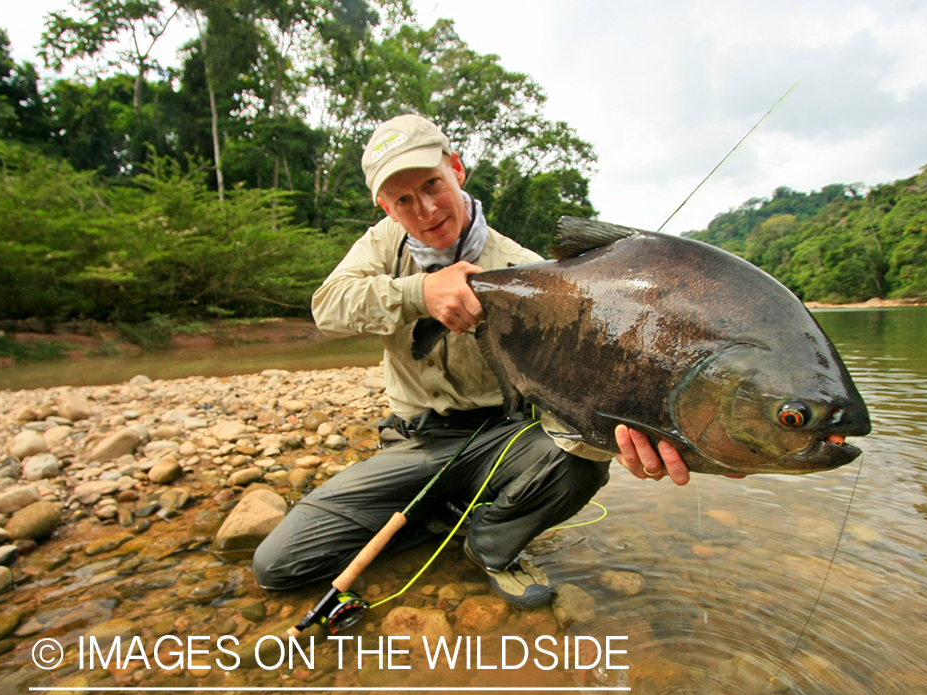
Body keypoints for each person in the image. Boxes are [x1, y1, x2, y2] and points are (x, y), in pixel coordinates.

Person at [253, 114, 688, 608]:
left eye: (432, 184)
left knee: (584, 457)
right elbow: (327, 307)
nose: (425, 209)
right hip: (412, 440)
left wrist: (656, 426)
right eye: (403, 200)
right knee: (278, 566)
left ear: (456, 169)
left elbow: (590, 371)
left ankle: (490, 544)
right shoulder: (381, 243)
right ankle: (442, 513)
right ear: (386, 207)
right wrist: (421, 291)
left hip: (504, 435)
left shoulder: (524, 268)